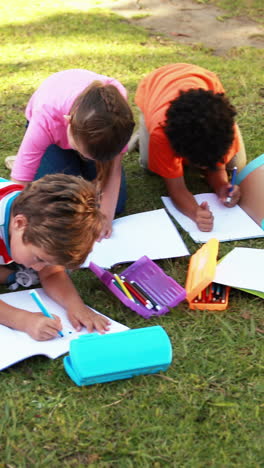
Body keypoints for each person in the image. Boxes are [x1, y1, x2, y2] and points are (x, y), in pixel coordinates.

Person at [7, 69, 135, 239]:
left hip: (94, 142)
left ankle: (80, 163)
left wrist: (104, 219)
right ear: (68, 122)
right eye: (83, 153)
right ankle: (26, 158)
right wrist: (14, 229)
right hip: (54, 140)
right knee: (61, 202)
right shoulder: (45, 118)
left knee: (115, 205)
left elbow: (113, 169)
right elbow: (19, 182)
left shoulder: (117, 120)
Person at [133, 63, 247, 231]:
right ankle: (142, 137)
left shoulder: (220, 129)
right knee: (149, 165)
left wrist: (222, 186)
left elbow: (217, 168)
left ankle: (145, 140)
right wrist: (195, 213)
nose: (203, 168)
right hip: (155, 87)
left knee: (237, 162)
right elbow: (176, 188)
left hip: (201, 81)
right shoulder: (161, 132)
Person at [0, 173, 111, 341]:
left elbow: (52, 273)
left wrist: (76, 306)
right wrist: (24, 320)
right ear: (19, 224)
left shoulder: (37, 221)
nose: (39, 269)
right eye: (39, 258)